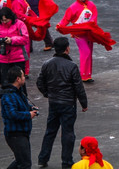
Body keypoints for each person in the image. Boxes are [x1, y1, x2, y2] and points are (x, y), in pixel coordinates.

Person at [37, 37, 88, 169]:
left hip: (53, 102)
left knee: (50, 131)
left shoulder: (47, 64)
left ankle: (43, 158)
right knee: (68, 133)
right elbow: (79, 87)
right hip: (68, 104)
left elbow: (40, 82)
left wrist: (48, 94)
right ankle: (66, 161)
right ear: (67, 48)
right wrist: (84, 104)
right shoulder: (71, 66)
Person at [0, 66, 39, 169]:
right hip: (15, 134)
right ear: (18, 79)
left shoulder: (17, 92)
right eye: (23, 76)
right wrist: (28, 114)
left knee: (21, 161)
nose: (25, 78)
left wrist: (30, 108)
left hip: (21, 133)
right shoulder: (9, 95)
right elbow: (12, 114)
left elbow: (19, 106)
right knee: (24, 163)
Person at [57, 0, 98, 82]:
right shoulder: (73, 7)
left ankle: (88, 75)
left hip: (89, 33)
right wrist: (60, 25)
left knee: (89, 52)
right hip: (78, 33)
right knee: (86, 52)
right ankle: (83, 75)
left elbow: (94, 18)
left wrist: (90, 26)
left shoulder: (92, 5)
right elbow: (66, 19)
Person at [0, 7, 30, 90]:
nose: (4, 22)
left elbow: (25, 38)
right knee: (5, 83)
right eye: (2, 20)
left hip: (18, 58)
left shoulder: (20, 24)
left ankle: (22, 100)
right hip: (4, 58)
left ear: (11, 17)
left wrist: (12, 40)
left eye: (6, 20)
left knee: (20, 84)